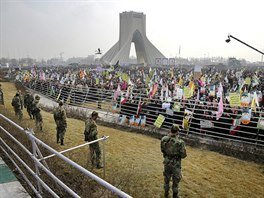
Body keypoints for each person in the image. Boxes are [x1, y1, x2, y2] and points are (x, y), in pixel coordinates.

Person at [161, 124, 187, 198]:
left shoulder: (164, 139)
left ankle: (166, 194)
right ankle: (175, 196)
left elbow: (162, 150)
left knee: (166, 179)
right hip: (176, 164)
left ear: (170, 130)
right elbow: (183, 155)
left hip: (167, 161)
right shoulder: (180, 142)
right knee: (176, 181)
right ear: (177, 132)